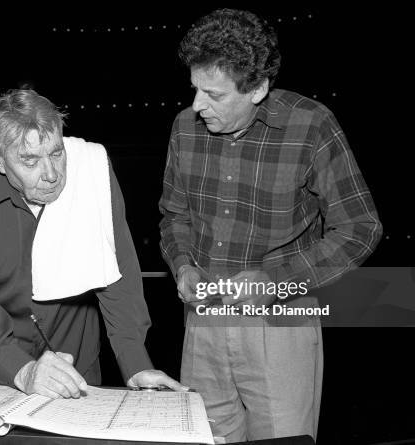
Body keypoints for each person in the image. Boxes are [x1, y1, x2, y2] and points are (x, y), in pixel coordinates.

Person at [159, 8, 382, 443]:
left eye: (214, 95)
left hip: (281, 326)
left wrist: (277, 282)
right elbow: (175, 215)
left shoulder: (311, 125)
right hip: (202, 321)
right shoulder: (184, 129)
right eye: (195, 89)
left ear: (258, 88)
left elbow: (359, 229)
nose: (196, 106)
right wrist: (182, 265)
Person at [0, 88, 185, 399]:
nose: (52, 174)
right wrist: (22, 369)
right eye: (29, 161)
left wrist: (135, 362)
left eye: (56, 153)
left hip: (78, 365)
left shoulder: (92, 170)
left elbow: (118, 273)